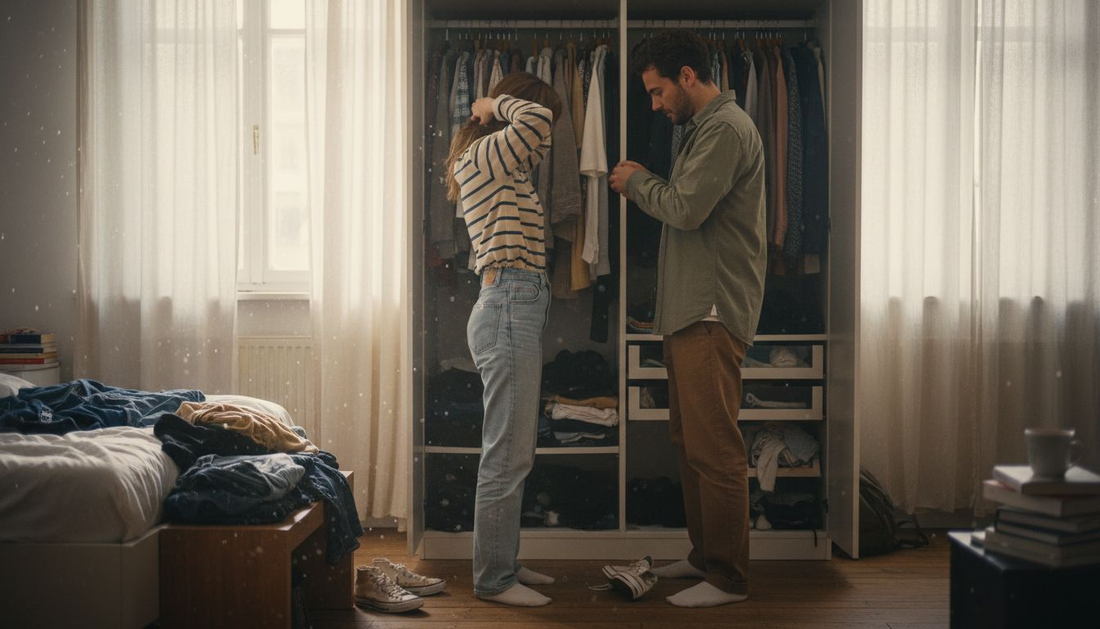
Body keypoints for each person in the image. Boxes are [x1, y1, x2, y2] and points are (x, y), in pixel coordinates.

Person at [609, 30, 767, 608]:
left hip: (712, 307)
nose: (654, 105)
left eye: (656, 92)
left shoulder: (724, 130)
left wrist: (636, 182)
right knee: (690, 441)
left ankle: (728, 577)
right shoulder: (703, 130)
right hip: (690, 309)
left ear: (688, 76)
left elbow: (685, 208)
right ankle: (705, 556)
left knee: (715, 447)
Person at [445, 72, 562, 608]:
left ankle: (504, 562)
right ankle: (494, 579)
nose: (544, 134)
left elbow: (538, 128)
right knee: (506, 454)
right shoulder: (485, 155)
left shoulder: (501, 162)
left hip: (517, 303)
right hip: (509, 304)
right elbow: (535, 119)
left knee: (516, 450)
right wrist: (494, 103)